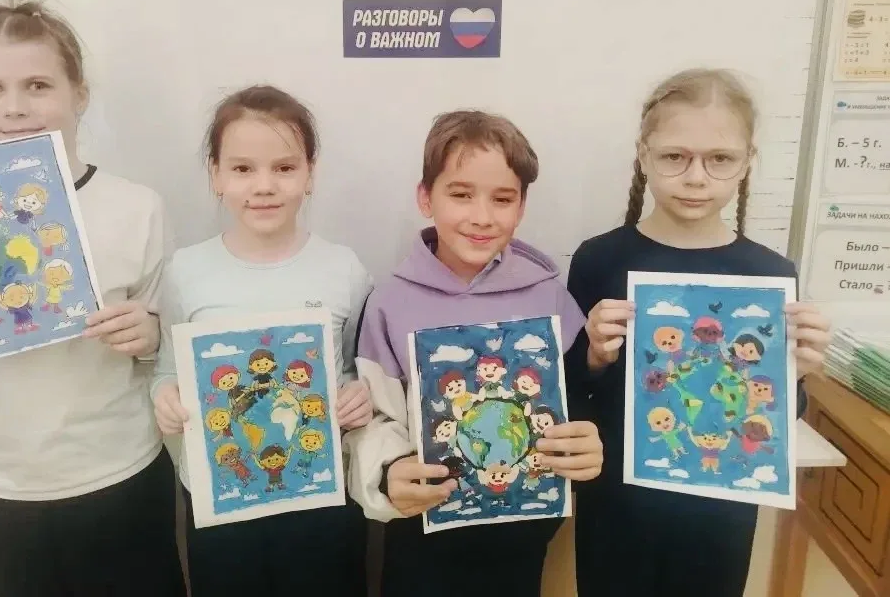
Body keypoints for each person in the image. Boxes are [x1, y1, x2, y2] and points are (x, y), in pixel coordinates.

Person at [0, 1, 185, 597]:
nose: (15, 106)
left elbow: (170, 347)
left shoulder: (136, 207)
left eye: (38, 85)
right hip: (6, 485)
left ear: (79, 94)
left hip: (122, 472)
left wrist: (151, 335)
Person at [567, 68, 831, 597]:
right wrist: (592, 356)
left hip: (720, 513)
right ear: (643, 155)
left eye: (720, 159)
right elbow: (570, 397)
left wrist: (794, 374)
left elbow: (774, 418)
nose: (695, 178)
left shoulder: (770, 275)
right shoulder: (599, 259)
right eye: (674, 156)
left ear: (747, 162)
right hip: (617, 505)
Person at [344, 110, 604, 597]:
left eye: (502, 199)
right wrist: (388, 472)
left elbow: (576, 403)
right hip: (421, 542)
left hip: (523, 541)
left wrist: (586, 443)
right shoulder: (389, 303)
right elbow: (372, 420)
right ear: (426, 197)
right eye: (461, 194)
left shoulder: (549, 296)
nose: (482, 217)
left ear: (521, 206)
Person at [150, 85, 374, 597]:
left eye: (285, 167)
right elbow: (166, 369)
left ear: (310, 174)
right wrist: (164, 398)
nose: (265, 186)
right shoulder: (186, 271)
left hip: (320, 497)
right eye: (243, 168)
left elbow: (355, 370)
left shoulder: (343, 269)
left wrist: (360, 396)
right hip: (222, 500)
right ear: (216, 176)